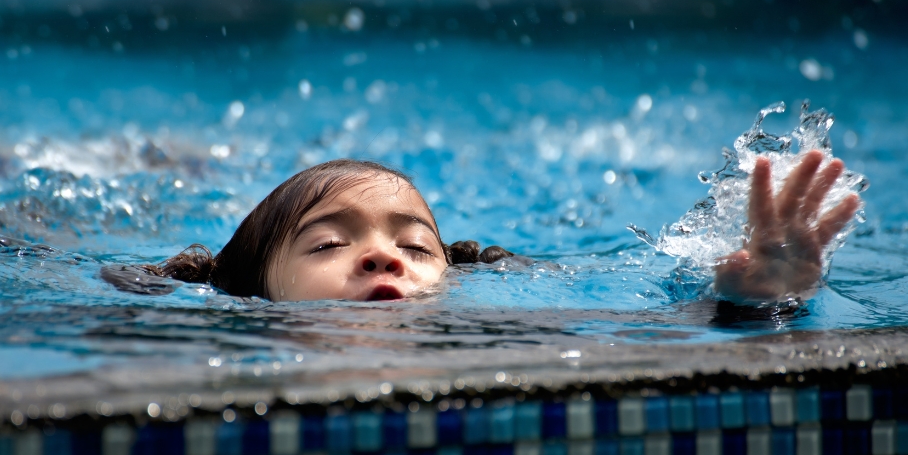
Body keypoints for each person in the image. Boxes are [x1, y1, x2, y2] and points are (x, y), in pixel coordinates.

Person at [130, 152, 859, 305]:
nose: (384, 255)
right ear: (252, 290)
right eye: (327, 243)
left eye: (415, 247)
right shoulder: (222, 339)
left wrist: (754, 300)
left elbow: (648, 343)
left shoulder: (495, 334)